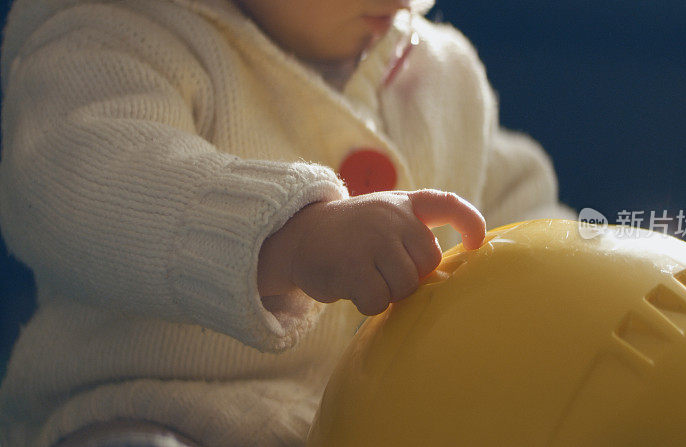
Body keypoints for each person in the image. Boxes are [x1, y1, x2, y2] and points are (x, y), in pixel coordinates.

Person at [0, 0, 572, 445]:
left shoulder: (441, 72)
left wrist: (583, 270)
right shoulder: (112, 40)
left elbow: (513, 208)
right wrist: (295, 235)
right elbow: (85, 177)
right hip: (159, 413)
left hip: (393, 428)